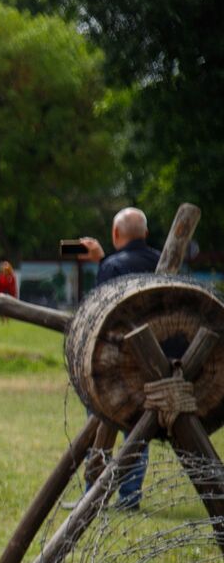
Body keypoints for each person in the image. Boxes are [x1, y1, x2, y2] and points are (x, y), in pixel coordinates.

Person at [76, 206, 162, 509]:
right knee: (136, 430)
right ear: (146, 234)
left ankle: (93, 493)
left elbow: (102, 316)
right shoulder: (163, 264)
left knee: (99, 423)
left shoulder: (112, 267)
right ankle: (130, 494)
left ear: (115, 234)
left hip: (115, 364)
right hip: (155, 364)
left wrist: (102, 262)